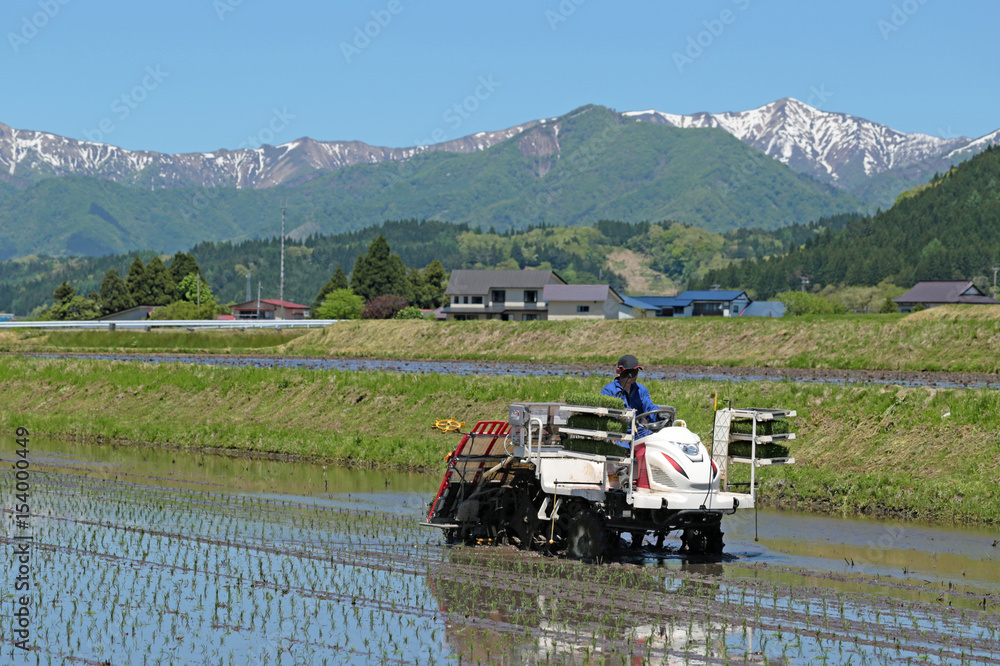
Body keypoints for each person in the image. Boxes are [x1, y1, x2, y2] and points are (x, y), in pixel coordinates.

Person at [601, 354, 659, 440]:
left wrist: (659, 415)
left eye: (635, 371)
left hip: (639, 431)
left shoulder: (641, 390)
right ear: (618, 371)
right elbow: (605, 417)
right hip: (618, 433)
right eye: (629, 372)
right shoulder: (608, 391)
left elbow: (649, 408)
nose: (633, 375)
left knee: (656, 441)